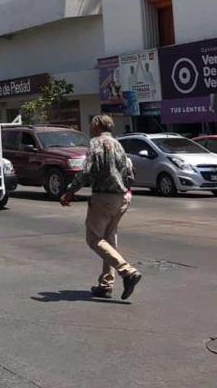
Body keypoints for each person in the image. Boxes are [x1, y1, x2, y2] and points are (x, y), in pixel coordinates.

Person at [60, 114, 143, 300]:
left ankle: (127, 272)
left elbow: (87, 171)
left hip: (104, 197)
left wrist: (70, 192)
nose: (90, 128)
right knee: (109, 239)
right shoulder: (119, 144)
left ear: (97, 126)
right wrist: (127, 191)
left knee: (93, 239)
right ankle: (106, 285)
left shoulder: (96, 143)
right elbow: (130, 172)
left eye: (91, 124)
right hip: (121, 198)